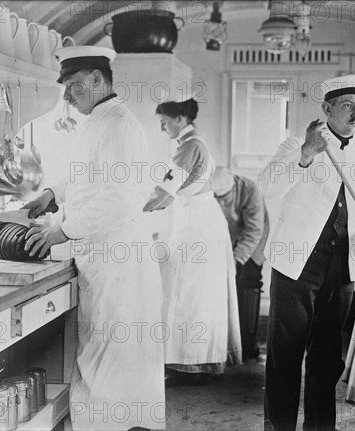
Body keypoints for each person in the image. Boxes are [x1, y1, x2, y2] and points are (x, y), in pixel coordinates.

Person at [23, 46, 164, 431]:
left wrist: (61, 231)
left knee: (108, 362)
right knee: (106, 360)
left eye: (73, 86)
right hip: (104, 257)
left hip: (117, 259)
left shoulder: (118, 123)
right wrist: (52, 193)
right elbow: (89, 176)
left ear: (97, 80)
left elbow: (119, 198)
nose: (66, 96)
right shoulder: (100, 119)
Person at [258, 74, 355, 431]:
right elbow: (269, 186)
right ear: (327, 109)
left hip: (342, 270)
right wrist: (307, 153)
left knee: (327, 360)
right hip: (296, 266)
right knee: (285, 356)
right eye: (348, 105)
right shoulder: (295, 145)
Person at [144, 95, 242, 386]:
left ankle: (188, 362)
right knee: (194, 295)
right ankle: (192, 361)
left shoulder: (189, 147)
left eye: (164, 123)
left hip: (196, 228)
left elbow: (165, 193)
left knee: (187, 294)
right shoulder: (193, 144)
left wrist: (134, 210)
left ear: (180, 120)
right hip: (199, 223)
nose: (163, 129)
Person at [212, 167, 269, 359]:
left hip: (255, 240)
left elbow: (254, 230)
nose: (221, 202)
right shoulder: (210, 188)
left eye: (225, 198)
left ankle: (247, 342)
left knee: (248, 282)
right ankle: (225, 342)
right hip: (229, 240)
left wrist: (237, 260)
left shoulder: (250, 190)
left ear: (233, 186)